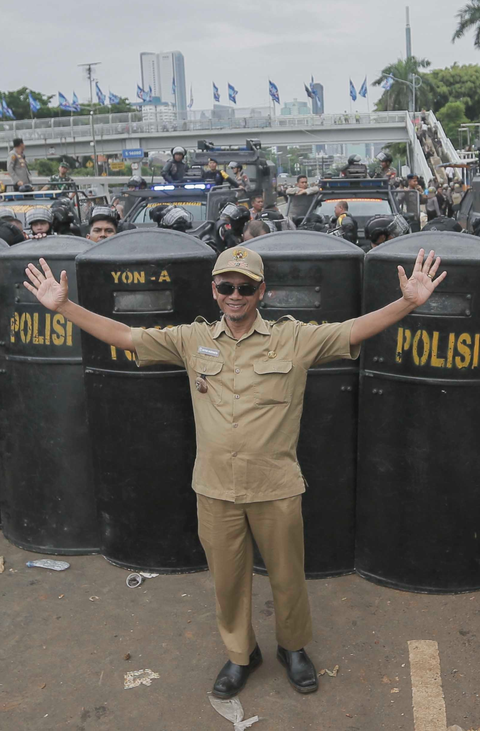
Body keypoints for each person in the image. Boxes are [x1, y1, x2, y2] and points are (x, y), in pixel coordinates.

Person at [24, 245, 446, 698]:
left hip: (275, 486)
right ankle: (241, 654)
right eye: (226, 286)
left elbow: (353, 330)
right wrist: (64, 306)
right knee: (228, 582)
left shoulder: (294, 339)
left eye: (245, 287)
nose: (235, 294)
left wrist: (407, 302)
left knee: (287, 578)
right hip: (216, 489)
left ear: (262, 291)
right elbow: (125, 336)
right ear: (214, 290)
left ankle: (293, 648)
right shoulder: (191, 339)